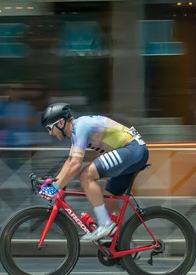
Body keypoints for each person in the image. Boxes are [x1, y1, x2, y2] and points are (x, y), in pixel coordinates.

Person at [38, 102, 149, 241]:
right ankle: (128, 248)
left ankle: (105, 224)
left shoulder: (80, 127)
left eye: (50, 128)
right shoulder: (76, 131)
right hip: (133, 151)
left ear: (60, 122)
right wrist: (54, 182)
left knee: (85, 175)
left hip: (132, 150)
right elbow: (70, 161)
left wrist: (55, 188)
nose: (50, 133)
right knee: (109, 204)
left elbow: (75, 165)